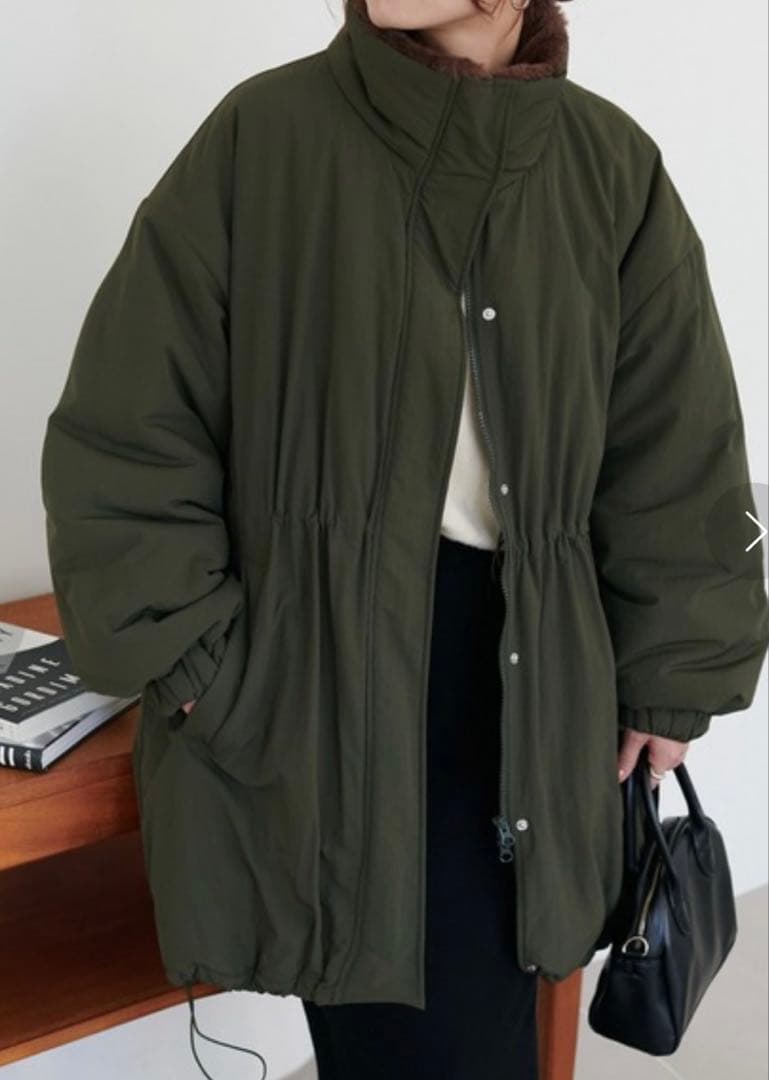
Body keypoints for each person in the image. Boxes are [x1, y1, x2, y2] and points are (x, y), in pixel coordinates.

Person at [40, 0, 769, 1077]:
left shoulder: (608, 166)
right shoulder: (263, 137)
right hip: (314, 682)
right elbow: (125, 432)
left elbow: (673, 451)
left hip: (539, 680)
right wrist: (203, 671)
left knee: (486, 1021)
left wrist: (672, 677)